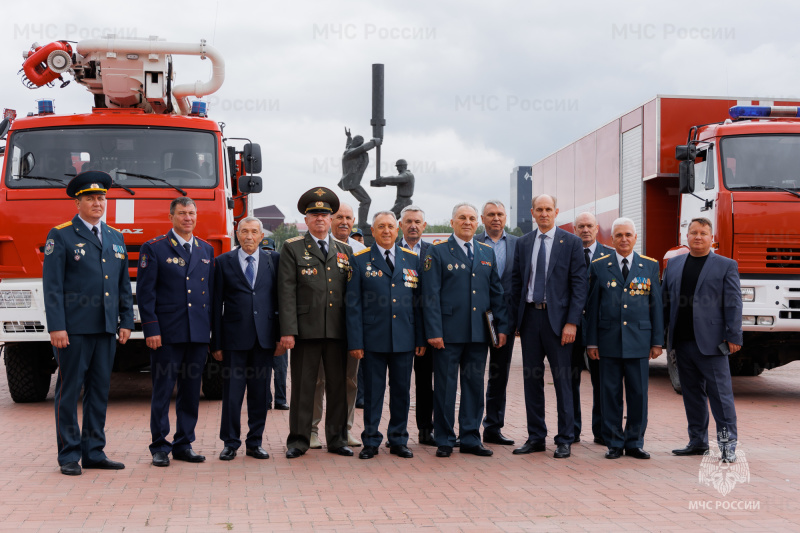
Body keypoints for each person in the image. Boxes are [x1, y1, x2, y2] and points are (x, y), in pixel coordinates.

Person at [43, 171, 133, 476]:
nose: (98, 203)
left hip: (106, 328)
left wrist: (126, 319)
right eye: (91, 198)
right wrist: (57, 326)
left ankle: (94, 451)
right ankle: (69, 454)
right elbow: (52, 286)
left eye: (102, 198)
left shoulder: (115, 237)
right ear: (78, 202)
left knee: (99, 391)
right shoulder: (61, 234)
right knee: (70, 392)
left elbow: (122, 284)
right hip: (74, 330)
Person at [422, 202, 509, 458]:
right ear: (452, 222)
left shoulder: (486, 252)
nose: (468, 222)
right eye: (462, 218)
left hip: (478, 334)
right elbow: (430, 296)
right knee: (446, 388)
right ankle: (445, 439)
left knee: (473, 386)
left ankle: (471, 437)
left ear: (477, 222)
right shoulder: (437, 253)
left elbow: (496, 293)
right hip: (447, 335)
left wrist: (500, 328)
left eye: (472, 218)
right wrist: (434, 331)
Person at [137, 197, 215, 467]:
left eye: (192, 213)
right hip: (167, 334)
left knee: (191, 391)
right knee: (162, 391)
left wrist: (211, 331)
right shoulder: (154, 248)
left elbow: (210, 295)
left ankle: (184, 443)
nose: (187, 218)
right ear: (171, 217)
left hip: (196, 334)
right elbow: (146, 294)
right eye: (182, 213)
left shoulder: (205, 249)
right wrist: (151, 328)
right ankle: (159, 445)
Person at [279, 187, 354, 459]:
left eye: (325, 214)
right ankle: (298, 441)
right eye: (314, 215)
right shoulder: (293, 248)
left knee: (338, 387)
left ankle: (337, 439)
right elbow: (286, 291)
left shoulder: (345, 250)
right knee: (303, 387)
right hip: (306, 331)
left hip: (337, 331)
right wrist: (287, 330)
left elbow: (352, 295)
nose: (320, 219)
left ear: (332, 219)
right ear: (306, 220)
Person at [510, 194, 586, 458]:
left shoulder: (571, 243)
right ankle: (536, 437)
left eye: (548, 209)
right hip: (531, 320)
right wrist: (517, 321)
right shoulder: (523, 243)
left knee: (563, 381)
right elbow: (517, 283)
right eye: (539, 209)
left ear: (556, 211)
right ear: (532, 212)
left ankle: (565, 438)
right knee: (532, 381)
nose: (544, 214)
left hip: (560, 323)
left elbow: (579, 286)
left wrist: (572, 322)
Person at [346, 211, 426, 459]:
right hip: (373, 339)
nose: (387, 231)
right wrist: (356, 341)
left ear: (398, 228)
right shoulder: (359, 260)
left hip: (404, 338)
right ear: (373, 230)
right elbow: (353, 305)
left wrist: (421, 338)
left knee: (402, 392)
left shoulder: (412, 259)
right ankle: (371, 440)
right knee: (373, 393)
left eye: (391, 226)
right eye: (381, 227)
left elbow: (419, 303)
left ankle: (398, 439)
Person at [662, 217, 742, 463]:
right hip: (682, 343)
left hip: (713, 343)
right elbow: (664, 303)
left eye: (703, 233)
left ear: (712, 238)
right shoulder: (673, 265)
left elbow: (733, 303)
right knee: (692, 395)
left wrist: (734, 335)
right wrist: (662, 338)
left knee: (721, 397)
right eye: (693, 232)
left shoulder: (726, 265)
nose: (698, 237)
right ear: (686, 237)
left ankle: (728, 446)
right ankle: (697, 442)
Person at [585, 217, 663, 460]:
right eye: (618, 235)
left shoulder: (649, 265)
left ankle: (635, 442)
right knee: (610, 394)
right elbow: (592, 306)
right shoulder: (599, 266)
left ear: (635, 237)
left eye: (628, 235)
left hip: (639, 341)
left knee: (638, 394)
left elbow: (656, 306)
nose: (624, 239)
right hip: (608, 342)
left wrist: (657, 341)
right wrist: (592, 341)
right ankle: (614, 442)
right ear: (611, 239)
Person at [212, 217, 282, 461]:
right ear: (237, 234)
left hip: (264, 340)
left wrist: (281, 337)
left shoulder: (274, 261)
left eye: (254, 232)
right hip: (233, 340)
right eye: (245, 232)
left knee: (260, 394)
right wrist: (216, 343)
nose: (249, 236)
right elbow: (215, 305)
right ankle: (230, 443)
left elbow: (280, 300)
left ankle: (255, 442)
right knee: (232, 394)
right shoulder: (222, 262)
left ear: (262, 236)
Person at [309, 203, 366, 449]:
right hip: (322, 325)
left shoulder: (362, 250)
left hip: (350, 328)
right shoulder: (317, 245)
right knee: (318, 380)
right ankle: (311, 429)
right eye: (339, 217)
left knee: (349, 380)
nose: (344, 221)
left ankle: (345, 429)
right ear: (331, 220)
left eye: (348, 217)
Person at [476, 200, 519, 446]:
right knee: (471, 375)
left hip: (505, 321)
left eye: (500, 214)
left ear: (506, 217)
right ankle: (468, 427)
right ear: (483, 218)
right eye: (490, 214)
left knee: (498, 374)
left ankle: (493, 427)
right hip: (476, 318)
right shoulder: (474, 242)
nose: (496, 218)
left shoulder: (518, 244)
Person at [571, 212, 614, 445]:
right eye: (581, 226)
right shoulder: (567, 254)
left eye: (589, 226)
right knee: (570, 382)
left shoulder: (610, 256)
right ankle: (572, 430)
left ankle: (602, 431)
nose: (585, 230)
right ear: (574, 230)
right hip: (572, 329)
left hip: (600, 331)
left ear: (597, 228)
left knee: (602, 382)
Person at [398, 205, 434, 445]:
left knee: (424, 383)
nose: (413, 225)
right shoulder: (389, 248)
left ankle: (426, 430)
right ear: (401, 225)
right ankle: (396, 433)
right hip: (396, 327)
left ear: (424, 226)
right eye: (408, 221)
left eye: (417, 222)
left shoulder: (435, 252)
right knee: (398, 384)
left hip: (426, 328)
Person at [260, 236, 288, 411]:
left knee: (280, 366)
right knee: (265, 366)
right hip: (263, 324)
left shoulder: (280, 269)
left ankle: (279, 399)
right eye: (265, 252)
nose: (268, 255)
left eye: (270, 251)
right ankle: (268, 399)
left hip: (278, 323)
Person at [339, 128, 381, 232]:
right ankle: (362, 224)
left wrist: (348, 137)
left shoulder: (349, 149)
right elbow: (362, 148)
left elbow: (349, 145)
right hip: (351, 182)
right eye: (360, 143)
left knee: (365, 200)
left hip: (351, 182)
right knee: (366, 200)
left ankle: (362, 223)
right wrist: (375, 142)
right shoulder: (351, 152)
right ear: (357, 143)